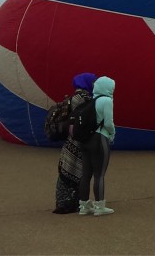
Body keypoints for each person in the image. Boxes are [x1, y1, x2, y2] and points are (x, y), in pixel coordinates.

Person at [53, 73, 95, 214]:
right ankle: (73, 202)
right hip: (79, 141)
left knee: (67, 170)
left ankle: (65, 202)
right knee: (78, 170)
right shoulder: (84, 99)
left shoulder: (72, 98)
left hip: (70, 141)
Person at [78, 75, 116, 216]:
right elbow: (108, 123)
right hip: (100, 139)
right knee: (99, 175)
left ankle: (84, 206)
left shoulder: (90, 100)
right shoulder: (106, 100)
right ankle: (100, 206)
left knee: (86, 174)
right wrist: (112, 133)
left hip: (86, 139)